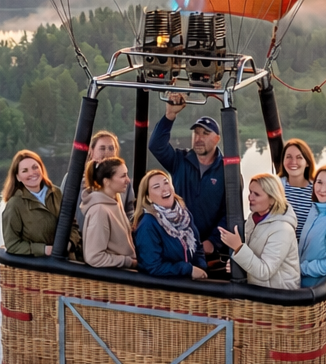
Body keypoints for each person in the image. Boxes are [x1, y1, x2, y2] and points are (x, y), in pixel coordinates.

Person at [148, 93, 226, 256]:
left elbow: (230, 213)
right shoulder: (180, 160)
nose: (199, 138)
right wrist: (170, 115)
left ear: (217, 139)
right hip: (177, 243)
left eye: (205, 134)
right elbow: (156, 145)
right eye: (196, 133)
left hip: (208, 250)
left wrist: (213, 242)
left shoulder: (227, 171)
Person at [218, 173, 299, 289]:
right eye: (250, 192)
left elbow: (265, 272)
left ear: (272, 199)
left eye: (256, 194)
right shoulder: (253, 219)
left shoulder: (283, 229)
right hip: (258, 289)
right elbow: (251, 256)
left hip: (279, 293)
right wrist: (238, 263)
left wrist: (238, 247)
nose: (250, 197)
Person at [132, 170, 208, 280]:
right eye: (156, 187)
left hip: (191, 284)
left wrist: (201, 267)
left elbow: (198, 246)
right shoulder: (148, 224)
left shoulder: (185, 215)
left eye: (166, 183)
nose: (164, 189)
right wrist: (188, 270)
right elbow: (153, 267)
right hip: (164, 287)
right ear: (148, 197)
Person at [2, 150, 66, 256]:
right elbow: (12, 245)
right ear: (18, 177)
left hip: (66, 258)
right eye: (25, 171)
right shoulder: (15, 204)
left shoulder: (57, 193)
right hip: (40, 263)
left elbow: (73, 225)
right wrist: (44, 249)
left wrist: (69, 244)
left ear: (41, 168)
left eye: (35, 167)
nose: (32, 173)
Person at [79, 157, 137, 269]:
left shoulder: (115, 200)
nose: (128, 180)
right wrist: (129, 262)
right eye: (123, 176)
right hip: (115, 276)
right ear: (107, 181)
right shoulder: (99, 211)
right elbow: (94, 257)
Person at [75, 130, 135, 229]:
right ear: (91, 151)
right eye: (102, 148)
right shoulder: (74, 179)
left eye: (111, 148)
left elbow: (130, 211)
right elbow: (64, 213)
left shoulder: (124, 182)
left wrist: (126, 229)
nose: (107, 152)